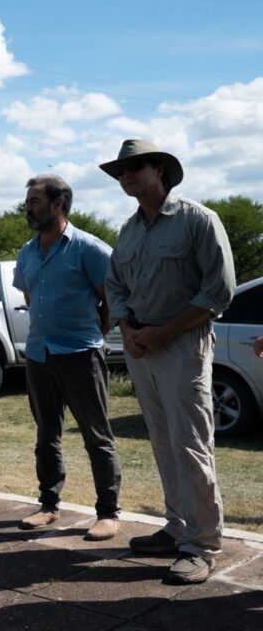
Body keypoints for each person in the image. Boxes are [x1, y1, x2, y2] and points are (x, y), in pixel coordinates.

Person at [102, 139, 236, 585]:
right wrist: (127, 331)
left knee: (191, 443)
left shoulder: (198, 219)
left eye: (134, 167)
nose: (125, 176)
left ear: (160, 170)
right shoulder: (129, 229)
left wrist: (164, 331)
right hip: (141, 345)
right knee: (162, 441)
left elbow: (219, 289)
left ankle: (201, 545)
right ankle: (178, 528)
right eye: (120, 170)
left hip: (182, 344)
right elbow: (115, 283)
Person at [12, 175, 122, 541]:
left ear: (58, 204)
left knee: (97, 436)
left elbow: (111, 298)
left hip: (81, 356)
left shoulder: (89, 249)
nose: (28, 207)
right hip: (40, 356)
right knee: (47, 436)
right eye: (28, 200)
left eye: (35, 200)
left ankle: (107, 513)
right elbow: (31, 297)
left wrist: (93, 336)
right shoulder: (27, 252)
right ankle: (48, 506)